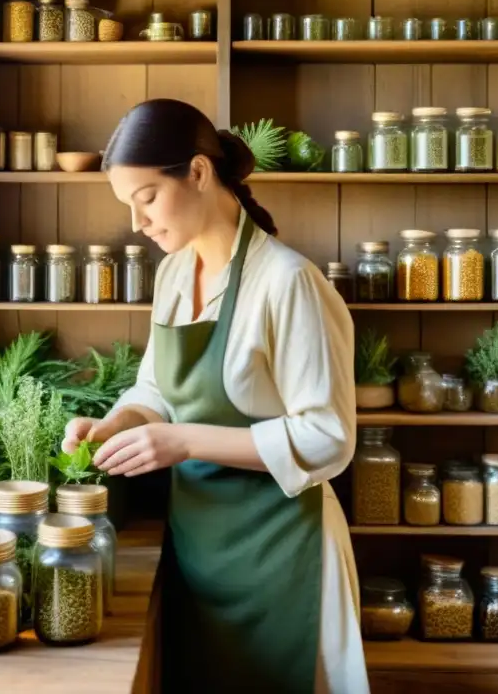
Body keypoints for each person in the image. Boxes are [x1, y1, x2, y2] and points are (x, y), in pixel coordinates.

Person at [62, 98, 369, 694]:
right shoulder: (175, 273)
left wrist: (178, 440)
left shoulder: (288, 282)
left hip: (285, 554)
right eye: (128, 206)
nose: (137, 223)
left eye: (146, 198)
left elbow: (328, 436)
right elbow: (157, 387)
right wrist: (117, 422)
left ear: (199, 172)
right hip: (200, 550)